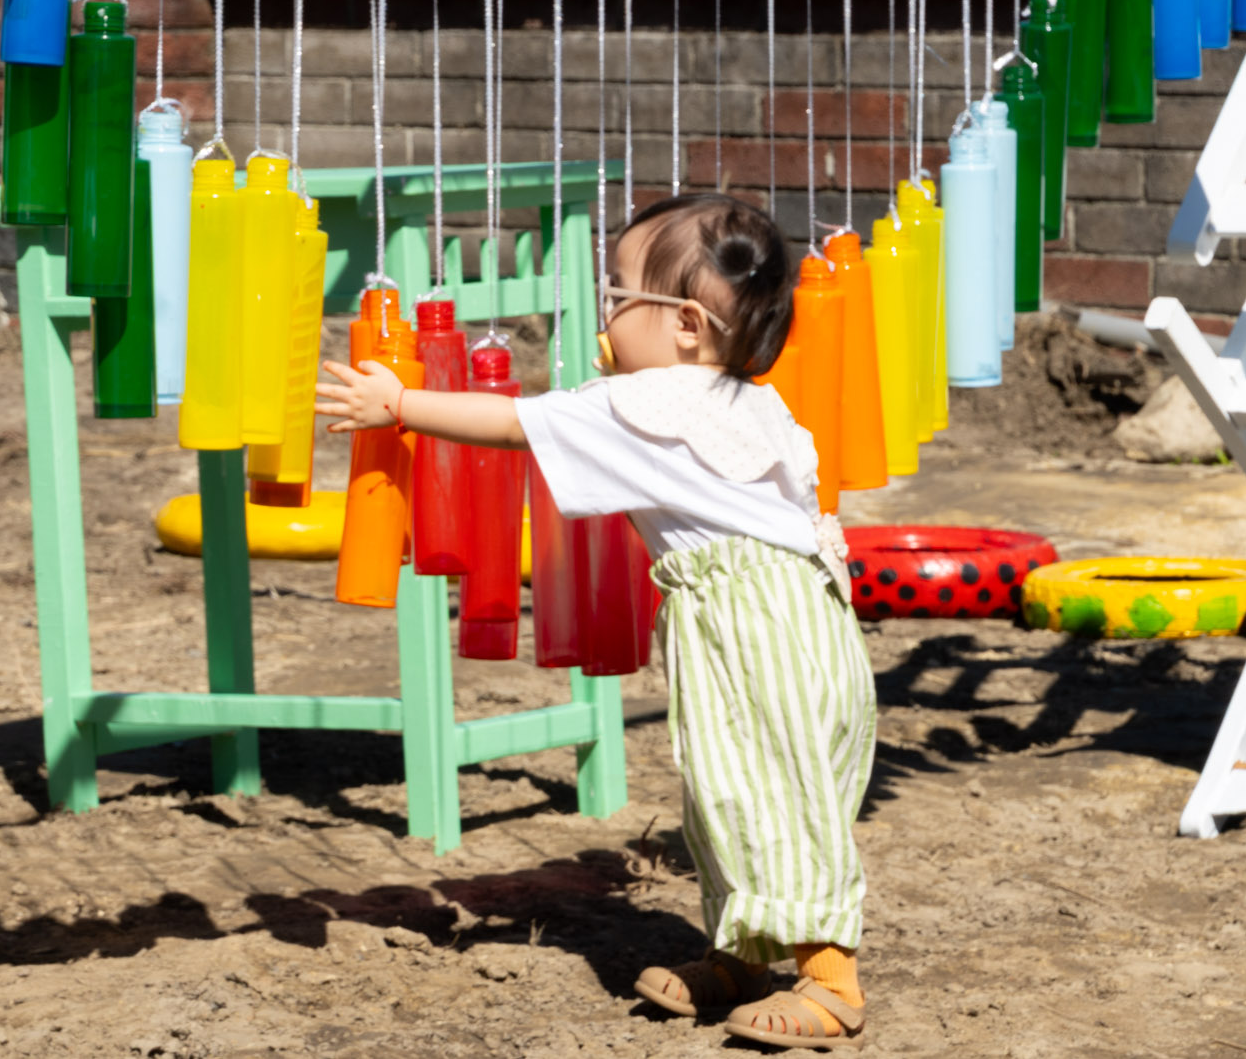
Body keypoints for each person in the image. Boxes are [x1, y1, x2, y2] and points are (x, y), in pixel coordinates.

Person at [316, 193, 876, 1051]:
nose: (606, 308)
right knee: (742, 791)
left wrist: (401, 403)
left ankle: (830, 977)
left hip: (748, 625)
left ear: (686, 324)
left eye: (619, 292)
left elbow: (509, 423)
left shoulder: (643, 405)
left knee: (760, 791)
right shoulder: (743, 398)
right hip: (814, 615)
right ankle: (741, 956)